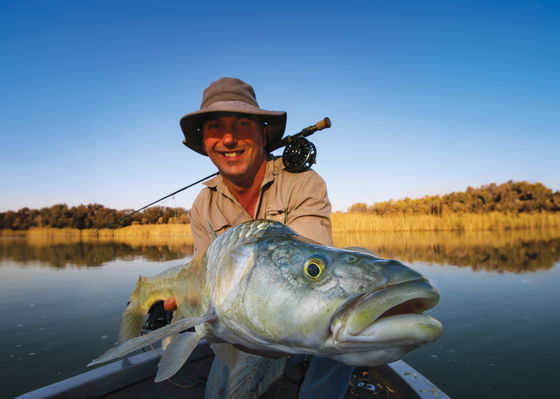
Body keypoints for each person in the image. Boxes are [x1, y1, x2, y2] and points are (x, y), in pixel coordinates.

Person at [179, 77, 354, 398]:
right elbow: (200, 274)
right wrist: (184, 298)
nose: (229, 139)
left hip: (304, 307)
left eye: (243, 124)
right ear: (205, 141)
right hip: (239, 319)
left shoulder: (304, 183)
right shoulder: (202, 205)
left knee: (351, 305)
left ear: (263, 133)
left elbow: (310, 263)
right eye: (215, 127)